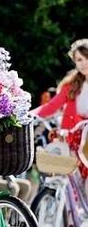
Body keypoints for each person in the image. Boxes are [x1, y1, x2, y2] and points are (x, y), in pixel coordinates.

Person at [34, 39, 88, 178]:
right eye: (79, 59)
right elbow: (52, 106)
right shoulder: (72, 85)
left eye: (86, 58)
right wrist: (30, 115)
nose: (83, 63)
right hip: (71, 142)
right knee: (62, 182)